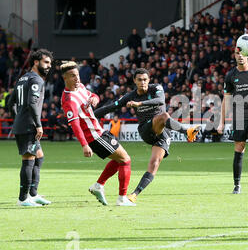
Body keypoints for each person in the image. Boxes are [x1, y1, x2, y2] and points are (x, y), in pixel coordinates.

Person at [94, 68, 201, 203]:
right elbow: (110, 107)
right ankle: (187, 132)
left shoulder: (156, 88)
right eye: (139, 80)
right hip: (146, 130)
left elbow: (160, 101)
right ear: (134, 81)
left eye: (145, 79)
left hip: (163, 132)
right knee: (164, 116)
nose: (143, 82)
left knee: (154, 163)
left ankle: (134, 194)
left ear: (149, 80)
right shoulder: (130, 96)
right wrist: (89, 116)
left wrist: (140, 104)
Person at [60, 62, 135, 206]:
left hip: (99, 132)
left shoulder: (81, 87)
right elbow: (75, 124)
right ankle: (122, 198)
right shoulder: (68, 100)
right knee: (125, 160)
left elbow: (92, 95)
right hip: (93, 137)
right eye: (73, 76)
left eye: (77, 75)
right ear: (65, 79)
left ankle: (99, 185)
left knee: (119, 160)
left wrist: (95, 98)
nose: (77, 79)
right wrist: (84, 145)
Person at [217, 46, 248, 194]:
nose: (239, 56)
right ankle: (237, 185)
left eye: (242, 53)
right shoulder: (231, 75)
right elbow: (226, 100)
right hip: (239, 119)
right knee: (239, 150)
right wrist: (221, 122)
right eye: (237, 53)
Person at [7, 49, 53, 206]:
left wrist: (17, 118)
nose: (49, 66)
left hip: (23, 124)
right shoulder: (36, 80)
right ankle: (23, 199)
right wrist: (38, 125)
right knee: (28, 159)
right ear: (36, 62)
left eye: (50, 64)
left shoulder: (22, 79)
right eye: (46, 62)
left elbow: (10, 103)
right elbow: (32, 103)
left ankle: (33, 194)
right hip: (29, 126)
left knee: (39, 156)